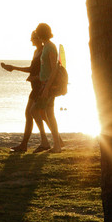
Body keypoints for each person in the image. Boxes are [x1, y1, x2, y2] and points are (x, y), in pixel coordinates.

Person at [1, 28, 50, 154]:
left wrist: (37, 77)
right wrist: (14, 68)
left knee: (33, 114)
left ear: (38, 38)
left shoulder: (44, 51)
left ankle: (27, 144)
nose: (31, 41)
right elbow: (31, 69)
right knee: (36, 114)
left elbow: (46, 70)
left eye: (32, 38)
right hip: (34, 86)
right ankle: (50, 141)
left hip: (40, 87)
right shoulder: (36, 52)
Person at [34, 22, 64, 153]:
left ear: (41, 33)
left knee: (40, 112)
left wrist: (47, 87)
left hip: (49, 85)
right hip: (44, 84)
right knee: (43, 112)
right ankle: (52, 144)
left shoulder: (50, 47)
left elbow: (54, 69)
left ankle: (54, 144)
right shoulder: (46, 46)